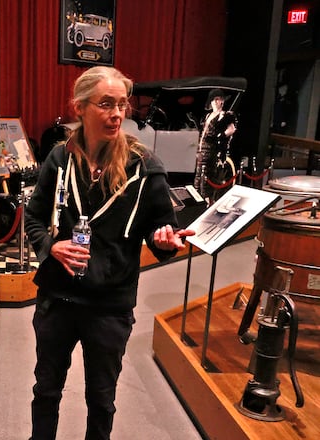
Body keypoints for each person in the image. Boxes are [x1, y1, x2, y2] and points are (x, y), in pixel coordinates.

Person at [24, 66, 195, 440]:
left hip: (109, 306)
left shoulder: (145, 167)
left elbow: (161, 228)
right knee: (46, 391)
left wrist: (164, 240)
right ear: (80, 108)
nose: (117, 114)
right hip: (58, 298)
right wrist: (51, 247)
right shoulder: (59, 159)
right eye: (105, 104)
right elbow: (33, 217)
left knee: (101, 401)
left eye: (122, 104)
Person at [193, 88, 238, 201]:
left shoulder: (225, 115)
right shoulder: (208, 115)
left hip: (212, 149)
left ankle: (206, 199)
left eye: (219, 99)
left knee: (207, 176)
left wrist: (220, 136)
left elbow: (232, 129)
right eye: (214, 100)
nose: (216, 102)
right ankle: (197, 199)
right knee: (198, 176)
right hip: (201, 149)